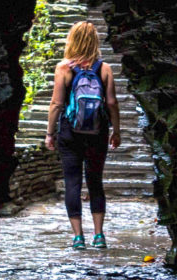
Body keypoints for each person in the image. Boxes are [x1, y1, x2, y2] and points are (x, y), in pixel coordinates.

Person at [45, 21, 121, 249]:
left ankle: (78, 237)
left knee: (72, 183)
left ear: (72, 40)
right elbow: (111, 103)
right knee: (95, 182)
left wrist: (50, 133)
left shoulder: (63, 68)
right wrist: (116, 130)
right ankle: (99, 235)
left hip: (70, 132)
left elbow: (57, 103)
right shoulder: (104, 68)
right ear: (94, 41)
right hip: (97, 132)